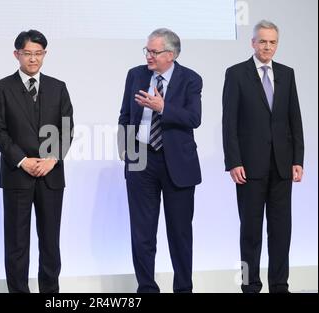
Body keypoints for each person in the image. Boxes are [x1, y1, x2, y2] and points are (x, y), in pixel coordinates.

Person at [0, 30, 74, 293]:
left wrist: (53, 159)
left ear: (45, 55)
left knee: (50, 242)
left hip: (51, 176)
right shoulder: (2, 88)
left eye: (38, 54)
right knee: (16, 243)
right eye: (27, 54)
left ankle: (50, 293)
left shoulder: (58, 87)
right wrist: (22, 160)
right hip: (17, 175)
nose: (33, 59)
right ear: (17, 54)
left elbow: (66, 127)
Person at [118, 28, 202, 293]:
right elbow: (124, 115)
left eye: (154, 52)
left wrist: (163, 107)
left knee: (179, 234)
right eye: (147, 50)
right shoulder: (136, 75)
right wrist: (127, 153)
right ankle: (146, 289)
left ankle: (183, 289)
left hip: (176, 162)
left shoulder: (190, 79)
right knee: (142, 233)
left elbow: (193, 119)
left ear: (171, 54)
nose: (149, 56)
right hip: (141, 159)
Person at [222, 20, 304, 293]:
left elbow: (295, 119)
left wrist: (298, 160)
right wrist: (233, 161)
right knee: (250, 233)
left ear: (276, 44)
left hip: (282, 166)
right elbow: (229, 122)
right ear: (253, 43)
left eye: (272, 42)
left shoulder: (287, 74)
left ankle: (280, 286)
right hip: (248, 167)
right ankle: (249, 286)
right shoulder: (236, 74)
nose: (267, 46)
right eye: (262, 41)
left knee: (281, 232)